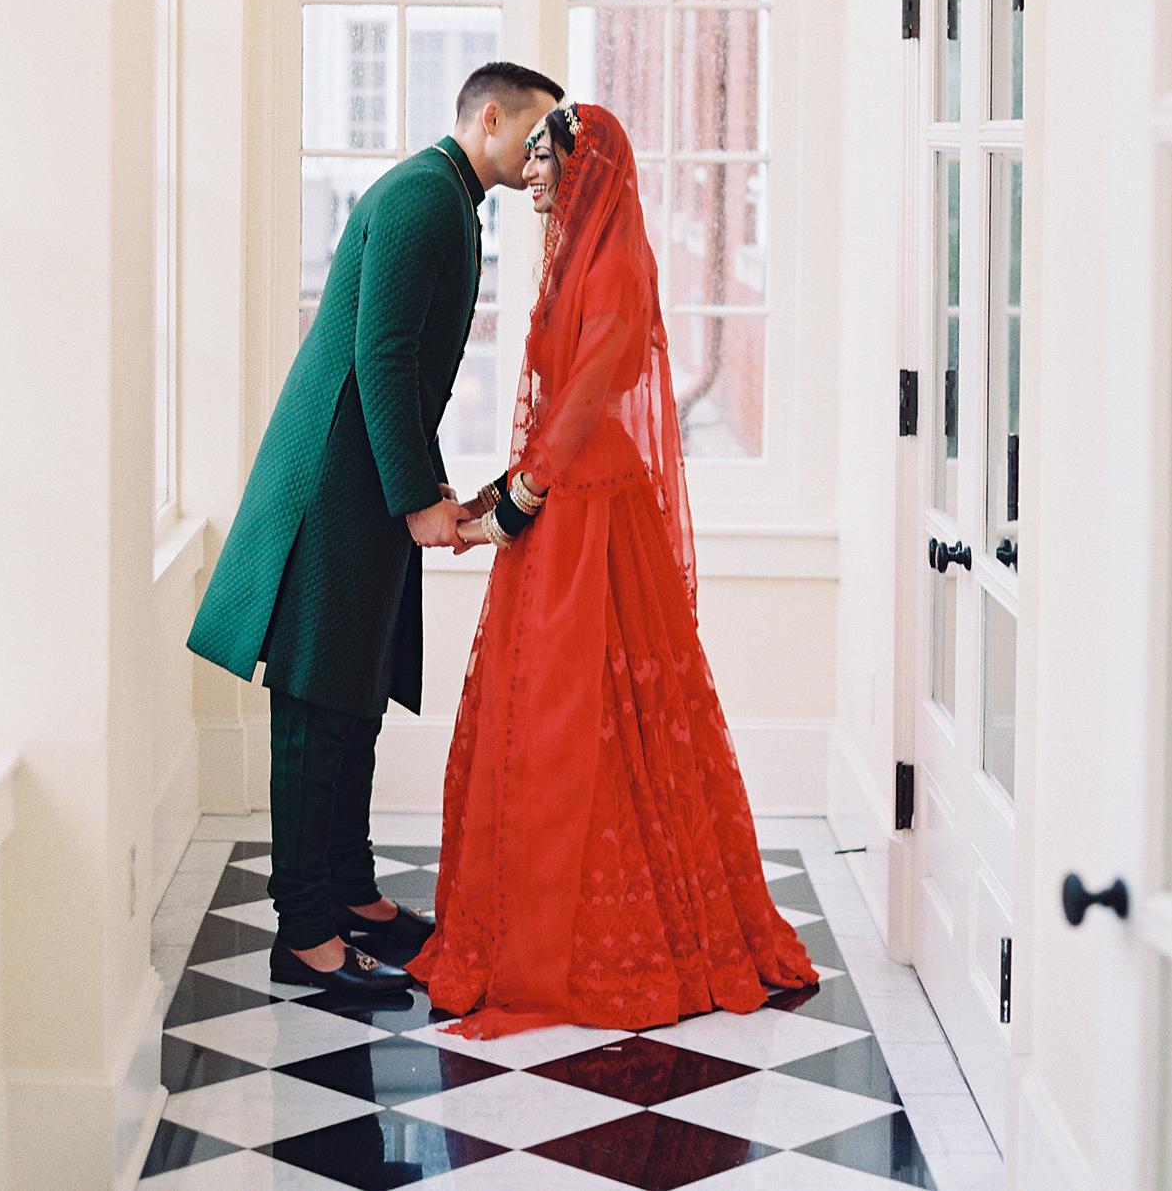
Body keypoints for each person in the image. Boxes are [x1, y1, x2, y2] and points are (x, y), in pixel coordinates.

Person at [409, 102, 816, 1034]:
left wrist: (517, 502)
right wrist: (501, 492)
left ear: (587, 171)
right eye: (537, 160)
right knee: (545, 714)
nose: (536, 176)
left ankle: (598, 936)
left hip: (588, 518)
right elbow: (562, 403)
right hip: (565, 507)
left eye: (548, 161)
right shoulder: (574, 257)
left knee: (584, 716)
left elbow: (589, 395)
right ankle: (530, 921)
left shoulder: (618, 265)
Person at [186, 61, 563, 997]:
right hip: (332, 489)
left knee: (352, 699)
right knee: (316, 711)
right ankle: (305, 931)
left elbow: (399, 365)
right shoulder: (422, 199)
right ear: (488, 117)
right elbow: (381, 354)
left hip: (361, 484)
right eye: (536, 133)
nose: (544, 152)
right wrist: (417, 501)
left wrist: (420, 484)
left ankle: (350, 894)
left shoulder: (447, 197)